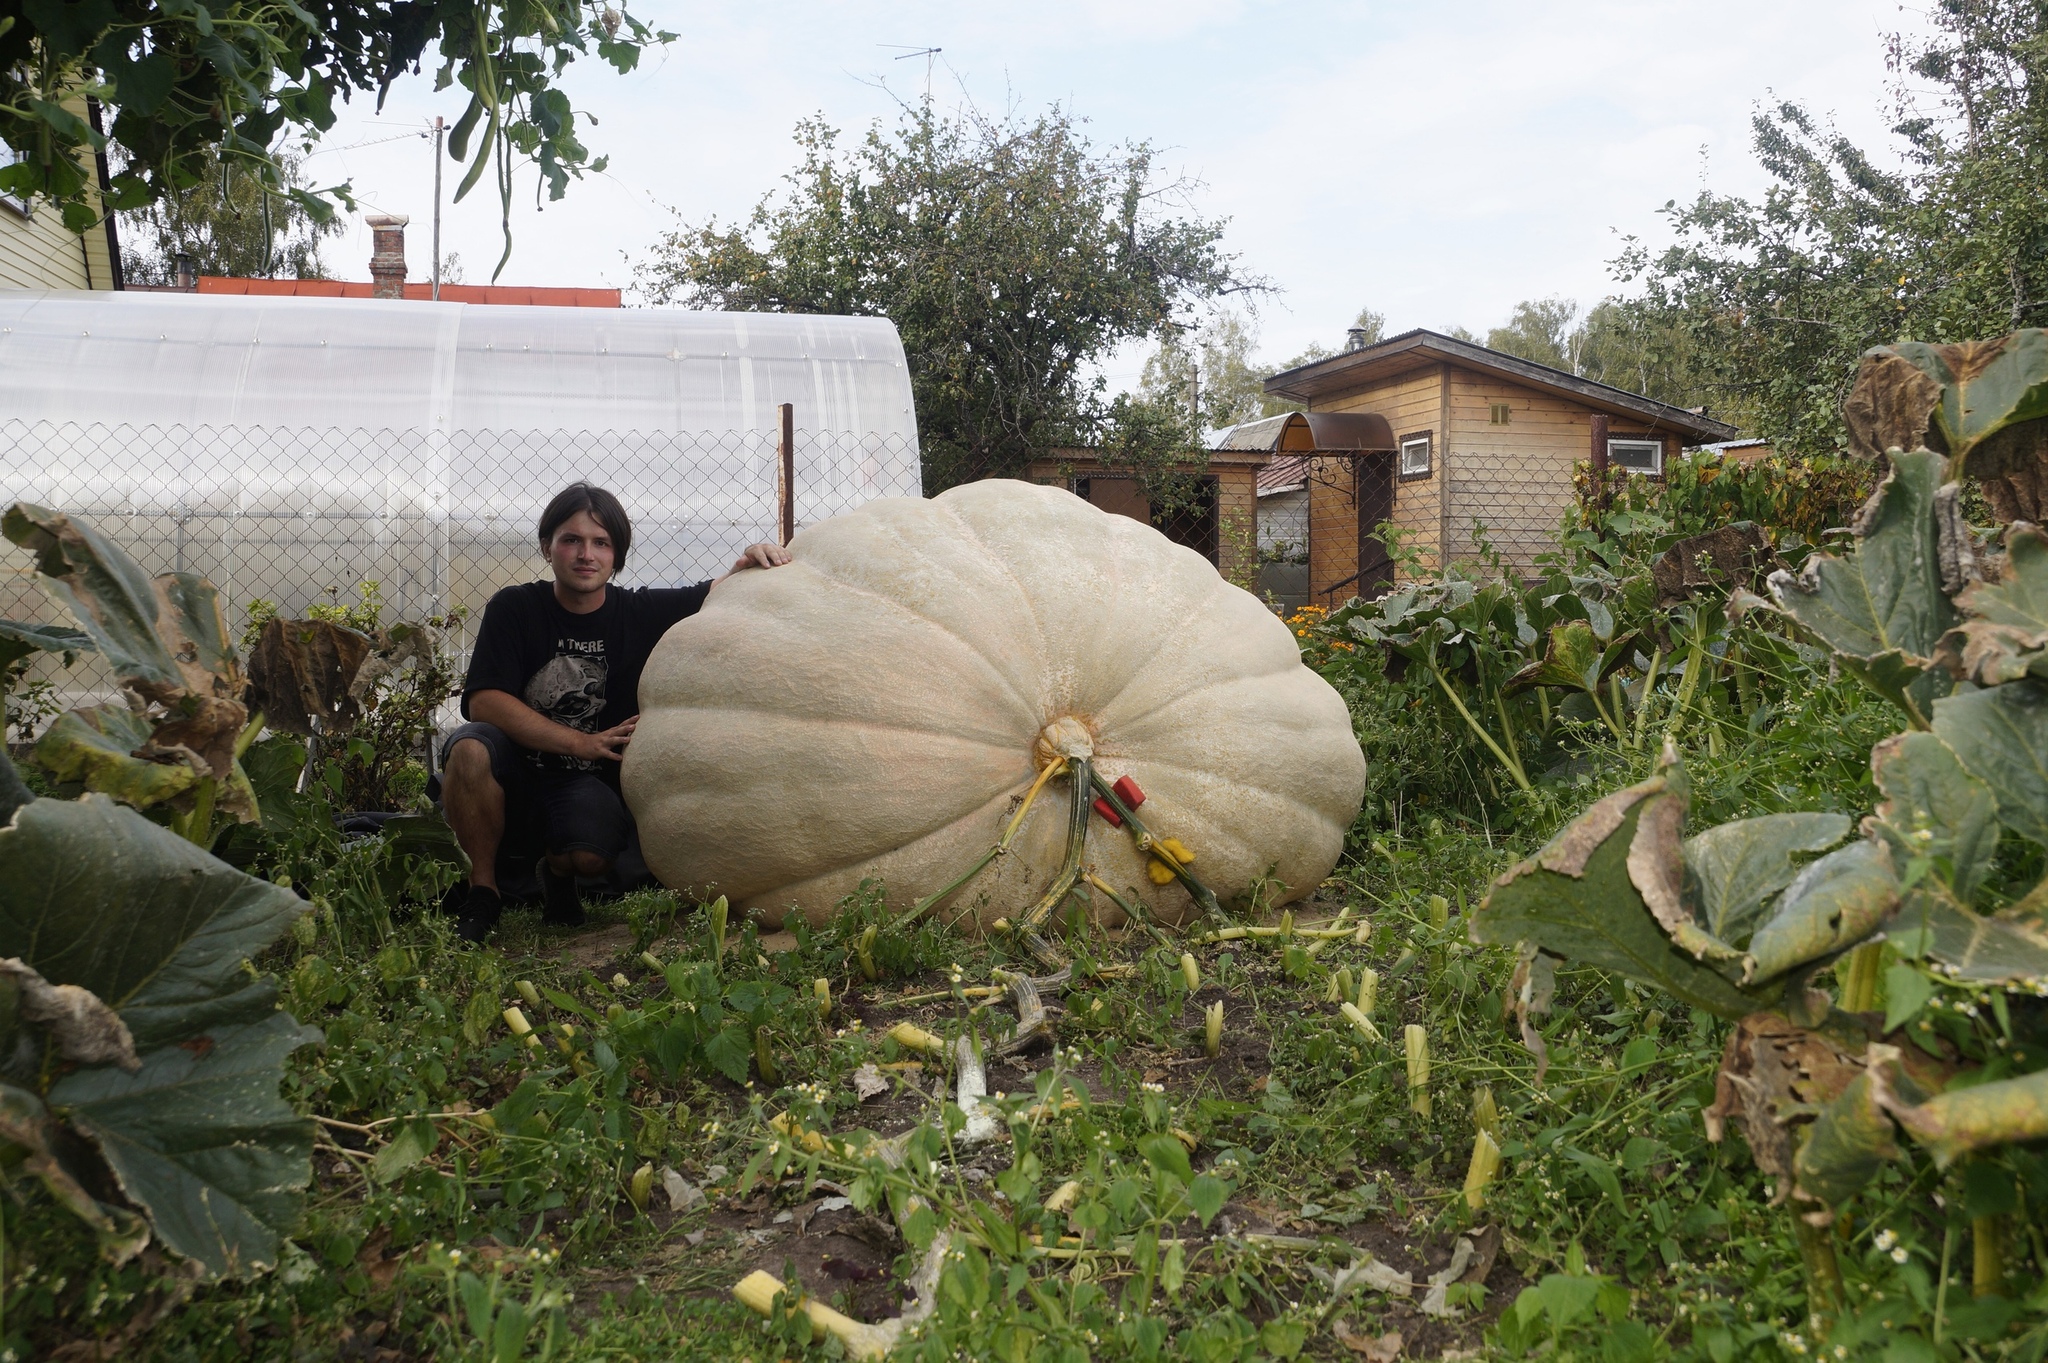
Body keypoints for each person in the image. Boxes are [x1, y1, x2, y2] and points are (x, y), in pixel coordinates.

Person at [441, 483, 789, 941]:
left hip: (583, 783)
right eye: (572, 540)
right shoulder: (516, 607)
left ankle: (559, 875)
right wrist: (580, 742)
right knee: (468, 748)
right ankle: (481, 894)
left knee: (591, 856)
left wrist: (755, 559)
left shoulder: (639, 612)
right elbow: (483, 699)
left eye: (601, 543)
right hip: (516, 772)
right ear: (547, 547)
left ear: (616, 556)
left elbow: (720, 594)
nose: (586, 554)